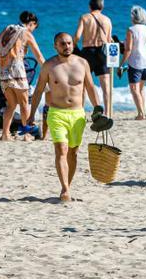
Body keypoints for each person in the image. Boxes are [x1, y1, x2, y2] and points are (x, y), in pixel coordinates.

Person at [29, 32, 102, 202]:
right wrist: (32, 114)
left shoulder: (82, 63)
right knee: (61, 149)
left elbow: (91, 87)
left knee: (73, 153)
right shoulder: (49, 66)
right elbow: (39, 90)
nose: (67, 46)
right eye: (62, 44)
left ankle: (67, 186)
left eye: (69, 43)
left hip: (77, 114)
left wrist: (98, 108)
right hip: (56, 113)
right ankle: (64, 189)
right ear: (55, 46)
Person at [0, 11, 45, 141]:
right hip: (16, 70)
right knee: (24, 103)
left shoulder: (9, 28)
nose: (33, 31)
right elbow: (38, 56)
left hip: (1, 71)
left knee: (11, 104)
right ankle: (27, 134)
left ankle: (5, 134)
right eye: (34, 28)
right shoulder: (26, 33)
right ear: (32, 24)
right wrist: (49, 69)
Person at [75, 0, 113, 116]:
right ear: (102, 6)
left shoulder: (84, 18)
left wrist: (73, 48)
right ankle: (107, 113)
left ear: (90, 6)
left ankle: (82, 112)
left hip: (87, 52)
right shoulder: (107, 20)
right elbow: (109, 40)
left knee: (84, 84)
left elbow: (77, 36)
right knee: (105, 85)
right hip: (102, 52)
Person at [120, 6, 146, 120]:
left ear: (133, 17)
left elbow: (128, 49)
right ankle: (144, 112)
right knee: (141, 89)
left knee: (134, 89)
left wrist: (121, 63)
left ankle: (141, 114)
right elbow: (141, 43)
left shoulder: (131, 29)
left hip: (136, 63)